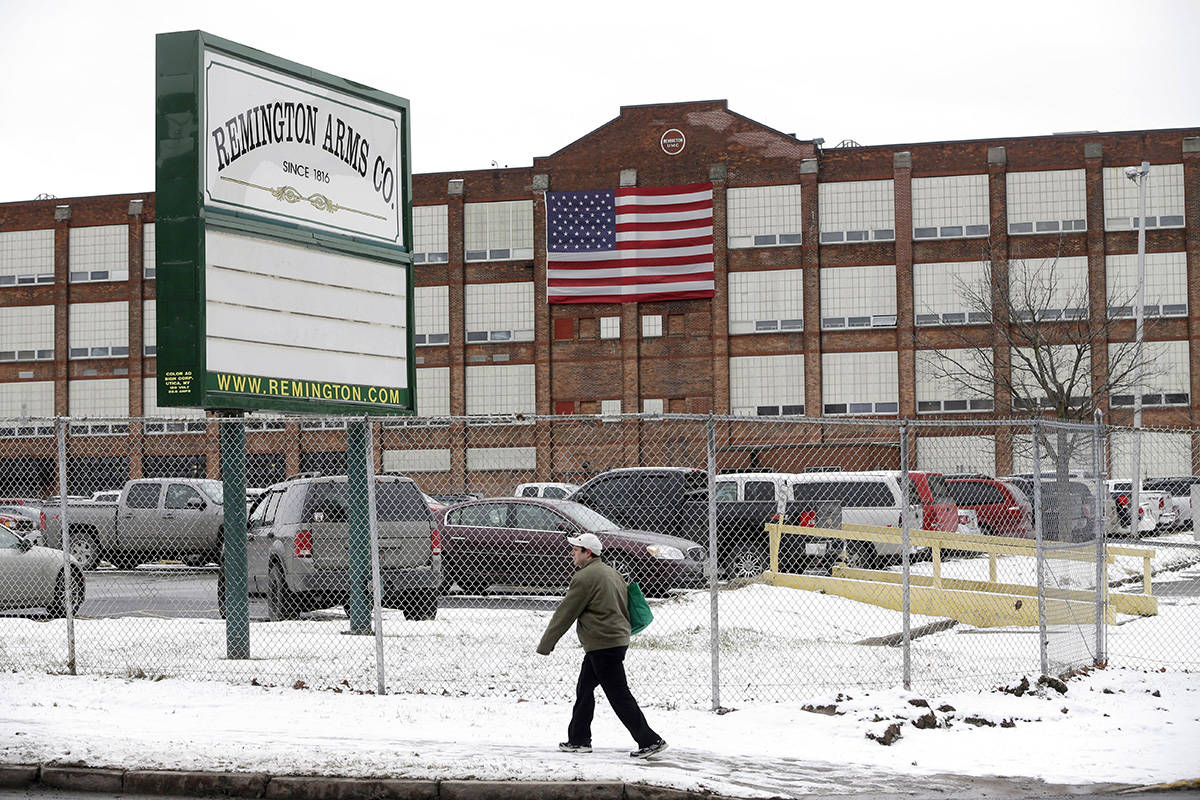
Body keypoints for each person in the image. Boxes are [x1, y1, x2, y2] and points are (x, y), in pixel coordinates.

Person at [536, 532, 667, 759]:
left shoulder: (585, 577)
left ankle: (649, 740)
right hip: (614, 640)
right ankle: (579, 739)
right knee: (584, 689)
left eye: (576, 550)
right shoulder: (612, 573)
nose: (572, 554)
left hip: (603, 643)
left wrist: (546, 644)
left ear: (588, 553)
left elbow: (565, 613)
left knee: (618, 694)